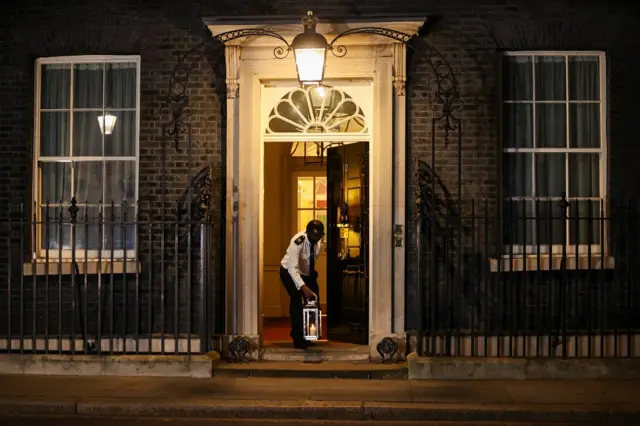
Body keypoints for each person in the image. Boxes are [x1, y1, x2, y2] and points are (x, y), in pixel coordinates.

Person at [280, 219, 324, 349]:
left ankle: (309, 335)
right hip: (288, 271)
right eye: (313, 239)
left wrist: (310, 280)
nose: (315, 241)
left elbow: (311, 260)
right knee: (296, 300)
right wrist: (303, 288)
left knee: (313, 300)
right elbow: (293, 268)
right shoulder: (297, 241)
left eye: (318, 238)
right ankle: (297, 338)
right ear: (308, 234)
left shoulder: (319, 239)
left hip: (306, 273)